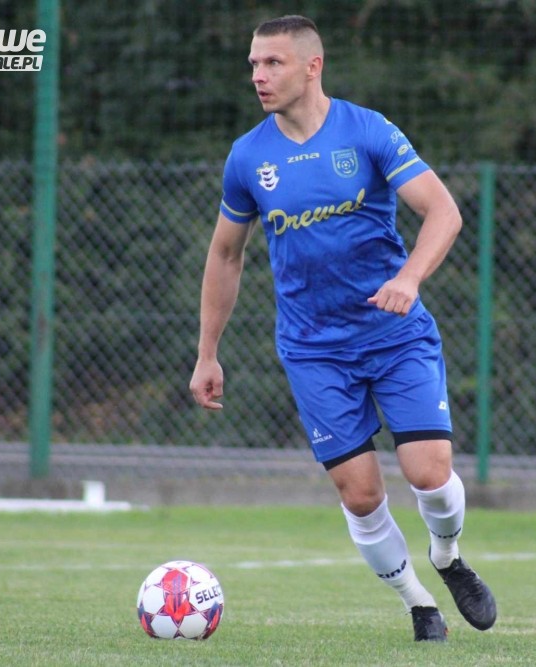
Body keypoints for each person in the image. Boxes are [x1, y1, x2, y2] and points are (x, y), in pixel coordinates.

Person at [189, 14, 496, 642]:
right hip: (314, 351)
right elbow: (225, 255)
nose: (258, 75)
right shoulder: (249, 157)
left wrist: (409, 278)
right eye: (253, 64)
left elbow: (443, 211)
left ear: (313, 66)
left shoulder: (367, 131)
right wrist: (207, 352)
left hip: (394, 334)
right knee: (359, 495)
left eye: (272, 63)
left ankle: (447, 557)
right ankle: (419, 605)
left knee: (429, 472)